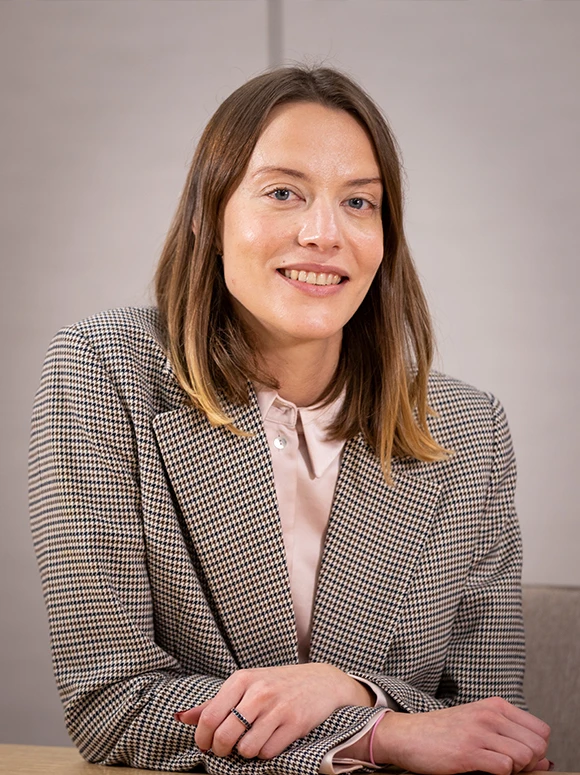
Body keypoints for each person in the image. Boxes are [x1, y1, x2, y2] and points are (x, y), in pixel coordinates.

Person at [29, 65, 551, 774]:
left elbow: (489, 725)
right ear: (207, 216)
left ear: (386, 236)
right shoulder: (104, 370)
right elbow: (110, 702)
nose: (324, 233)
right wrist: (373, 730)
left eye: (359, 203)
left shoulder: (471, 429)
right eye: (283, 193)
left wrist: (342, 687)